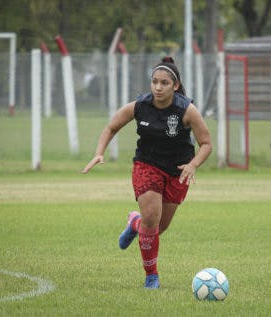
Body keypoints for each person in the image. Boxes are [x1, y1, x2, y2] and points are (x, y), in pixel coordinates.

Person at [82, 57, 212, 288]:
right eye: (154, 82)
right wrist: (99, 152)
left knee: (158, 227)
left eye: (164, 83)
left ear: (176, 86)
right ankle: (151, 275)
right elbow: (111, 127)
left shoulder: (186, 110)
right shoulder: (140, 105)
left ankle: (134, 223)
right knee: (152, 219)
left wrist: (193, 165)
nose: (158, 87)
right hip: (147, 165)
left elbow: (206, 143)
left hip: (178, 171)